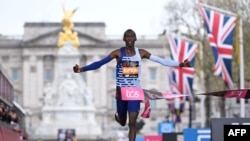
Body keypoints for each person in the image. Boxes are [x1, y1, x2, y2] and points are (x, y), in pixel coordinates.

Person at [73, 29, 191, 141]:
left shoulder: (141, 53)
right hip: (122, 92)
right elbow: (99, 63)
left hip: (134, 91)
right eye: (127, 36)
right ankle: (119, 117)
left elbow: (160, 60)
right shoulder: (118, 53)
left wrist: (180, 64)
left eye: (132, 36)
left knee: (132, 122)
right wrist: (81, 69)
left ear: (135, 39)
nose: (129, 38)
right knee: (123, 122)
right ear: (124, 39)